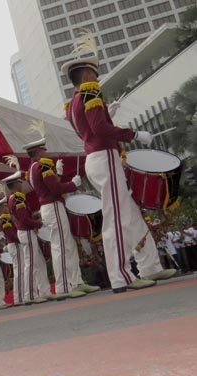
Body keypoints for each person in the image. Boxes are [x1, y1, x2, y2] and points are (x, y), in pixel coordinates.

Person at [62, 30, 176, 293]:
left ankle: (151, 266)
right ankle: (121, 276)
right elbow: (99, 130)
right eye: (95, 74)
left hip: (99, 157)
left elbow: (88, 129)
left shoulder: (74, 102)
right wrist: (134, 134)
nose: (97, 79)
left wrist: (107, 113)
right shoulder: (90, 93)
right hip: (104, 157)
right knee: (114, 218)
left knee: (131, 214)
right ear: (88, 75)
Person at [24, 129, 100, 298]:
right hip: (53, 207)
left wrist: (58, 174)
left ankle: (76, 281)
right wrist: (73, 184)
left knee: (68, 245)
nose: (46, 152)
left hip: (50, 207)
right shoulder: (42, 165)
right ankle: (64, 286)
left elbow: (51, 185)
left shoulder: (34, 167)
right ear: (38, 152)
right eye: (43, 149)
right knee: (61, 246)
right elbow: (55, 188)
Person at [4, 171, 51, 305]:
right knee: (30, 264)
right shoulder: (17, 198)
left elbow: (24, 216)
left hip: (25, 231)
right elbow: (24, 219)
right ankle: (30, 295)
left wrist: (36, 216)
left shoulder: (16, 197)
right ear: (15, 184)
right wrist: (39, 223)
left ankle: (42, 291)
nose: (21, 184)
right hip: (26, 231)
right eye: (20, 182)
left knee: (37, 262)